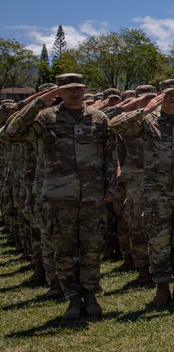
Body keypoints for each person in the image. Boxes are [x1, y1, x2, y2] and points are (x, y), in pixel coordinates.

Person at [2, 74, 115, 319]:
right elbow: (11, 133)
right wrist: (38, 103)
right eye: (68, 89)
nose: (74, 93)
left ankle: (91, 296)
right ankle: (73, 299)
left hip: (92, 196)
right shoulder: (46, 118)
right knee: (64, 249)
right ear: (59, 92)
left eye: (78, 89)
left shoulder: (98, 118)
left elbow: (110, 156)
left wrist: (110, 187)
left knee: (92, 248)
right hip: (59, 195)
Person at [109, 80, 174, 306]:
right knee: (158, 240)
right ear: (160, 96)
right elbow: (114, 126)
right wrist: (144, 110)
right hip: (156, 191)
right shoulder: (146, 122)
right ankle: (162, 287)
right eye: (167, 94)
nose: (172, 98)